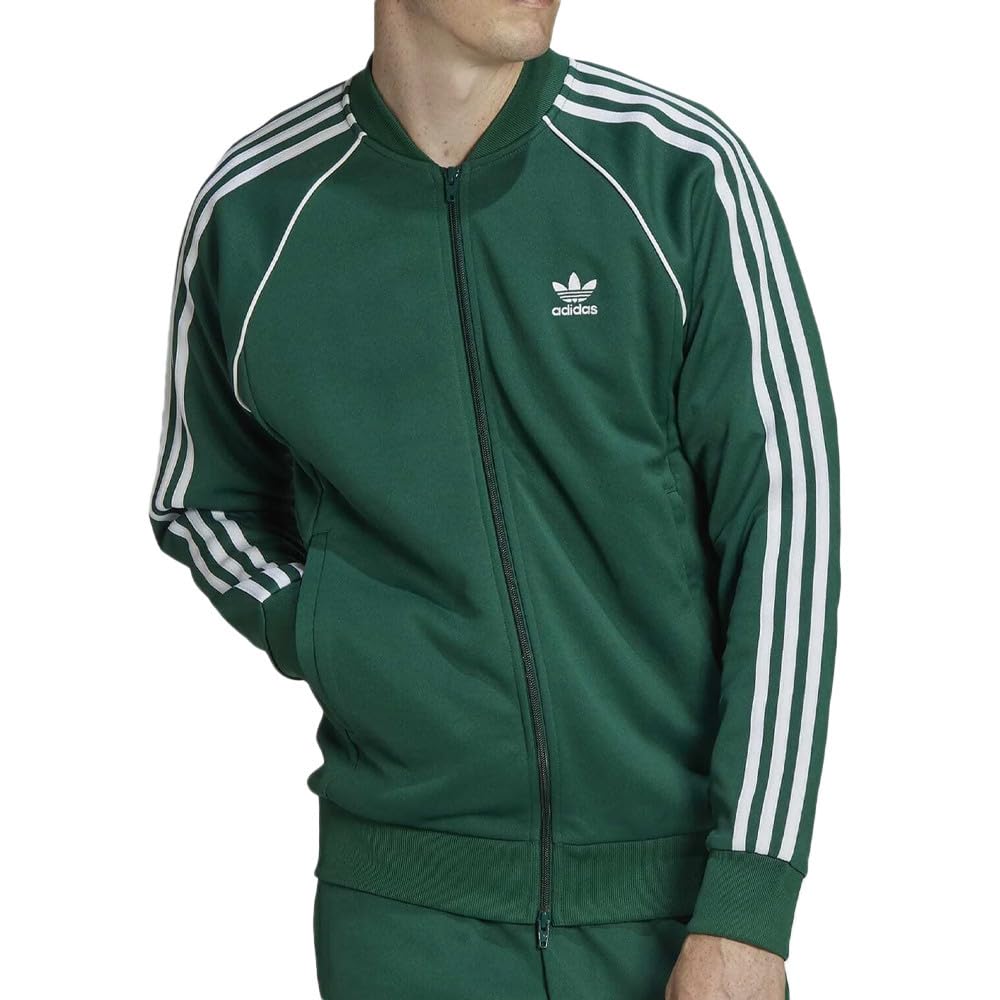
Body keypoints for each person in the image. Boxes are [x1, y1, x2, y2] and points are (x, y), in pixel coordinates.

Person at [147, 1, 840, 997]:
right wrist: (332, 628)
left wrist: (749, 901)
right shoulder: (257, 209)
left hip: (671, 910)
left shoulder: (675, 171)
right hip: (402, 915)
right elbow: (203, 500)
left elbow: (787, 528)